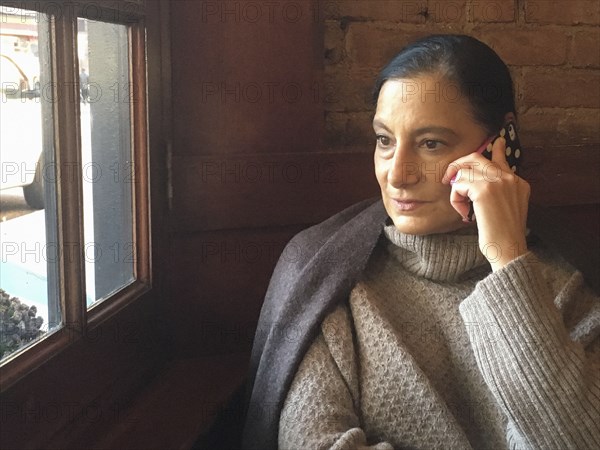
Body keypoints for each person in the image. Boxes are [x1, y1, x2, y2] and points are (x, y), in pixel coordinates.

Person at [242, 35, 600, 449]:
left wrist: (507, 260)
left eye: (431, 144)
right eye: (384, 140)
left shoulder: (570, 277)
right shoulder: (322, 274)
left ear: (501, 147)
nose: (397, 175)